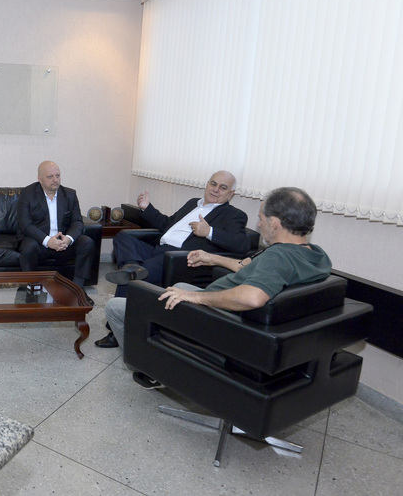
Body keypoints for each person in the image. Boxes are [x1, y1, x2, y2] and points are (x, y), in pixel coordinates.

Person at [104, 186, 331, 388]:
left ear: (274, 223)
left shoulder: (278, 257)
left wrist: (195, 298)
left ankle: (150, 367)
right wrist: (212, 258)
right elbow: (247, 267)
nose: (259, 224)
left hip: (214, 321)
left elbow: (252, 297)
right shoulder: (314, 254)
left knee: (115, 307)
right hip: (230, 316)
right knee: (180, 285)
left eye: (261, 218)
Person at [96, 170, 250, 348]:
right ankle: (131, 266)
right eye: (213, 184)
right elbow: (168, 224)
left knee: (130, 279)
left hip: (177, 259)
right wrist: (147, 207)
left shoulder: (233, 215)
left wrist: (209, 232)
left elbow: (242, 245)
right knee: (123, 237)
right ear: (207, 184)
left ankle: (115, 332)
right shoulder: (193, 203)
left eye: (223, 188)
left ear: (231, 194)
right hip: (158, 249)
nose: (215, 189)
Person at [17, 160, 95, 302]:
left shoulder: (70, 195)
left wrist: (68, 239)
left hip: (63, 243)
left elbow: (77, 222)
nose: (55, 180)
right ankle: (32, 288)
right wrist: (48, 241)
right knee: (28, 247)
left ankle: (77, 289)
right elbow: (25, 224)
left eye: (57, 176)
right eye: (50, 177)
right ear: (40, 179)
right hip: (39, 241)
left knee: (87, 242)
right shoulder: (27, 194)